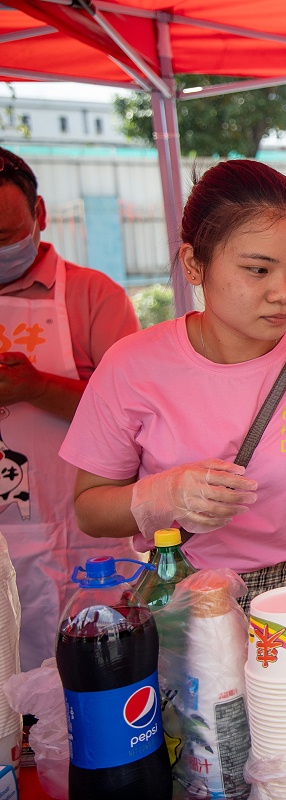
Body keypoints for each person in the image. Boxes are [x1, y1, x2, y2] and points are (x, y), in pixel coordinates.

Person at [60, 159, 286, 617]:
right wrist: (166, 494)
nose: (284, 293)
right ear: (193, 263)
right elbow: (90, 509)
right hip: (180, 594)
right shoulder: (132, 367)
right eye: (258, 270)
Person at [0, 147, 140, 670]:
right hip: (6, 536)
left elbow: (131, 416)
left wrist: (35, 387)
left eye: (4, 236)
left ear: (38, 216)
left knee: (91, 674)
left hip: (78, 537)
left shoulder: (91, 295)